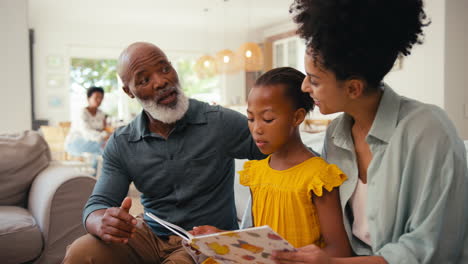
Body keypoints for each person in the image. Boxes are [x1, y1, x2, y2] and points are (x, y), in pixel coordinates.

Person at [273, 0, 468, 263]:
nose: (305, 87)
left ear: (354, 89)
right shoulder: (335, 136)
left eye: (315, 80)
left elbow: (431, 249)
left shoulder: (428, 131)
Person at [62, 42, 264, 264]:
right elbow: (98, 203)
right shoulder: (122, 143)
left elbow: (281, 150)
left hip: (204, 240)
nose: (161, 81)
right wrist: (101, 221)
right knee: (81, 253)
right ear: (129, 91)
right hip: (148, 234)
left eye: (165, 69)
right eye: (144, 80)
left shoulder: (219, 122)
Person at [192, 67, 352, 257]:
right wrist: (220, 236)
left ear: (297, 117)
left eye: (267, 119)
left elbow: (339, 249)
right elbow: (258, 240)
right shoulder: (255, 172)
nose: (256, 129)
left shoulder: (319, 177)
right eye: (251, 118)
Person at [65, 86, 109, 158]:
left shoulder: (101, 114)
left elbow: (103, 129)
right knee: (105, 146)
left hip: (94, 142)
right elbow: (86, 132)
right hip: (75, 142)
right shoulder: (82, 112)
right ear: (88, 98)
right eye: (96, 97)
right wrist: (104, 136)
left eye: (101, 98)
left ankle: (98, 168)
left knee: (102, 149)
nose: (99, 100)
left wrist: (105, 134)